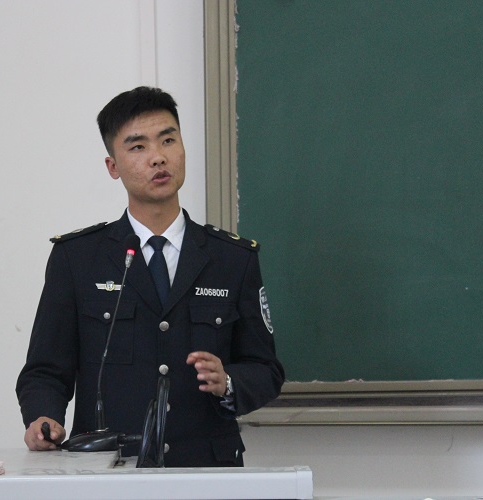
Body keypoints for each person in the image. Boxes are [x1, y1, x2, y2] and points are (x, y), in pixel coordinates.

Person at [16, 86, 284, 467]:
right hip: (109, 473)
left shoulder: (232, 259)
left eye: (168, 140)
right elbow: (45, 370)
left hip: (208, 473)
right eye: (138, 146)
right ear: (113, 166)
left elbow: (265, 370)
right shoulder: (77, 259)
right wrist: (43, 418)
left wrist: (227, 382)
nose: (158, 157)